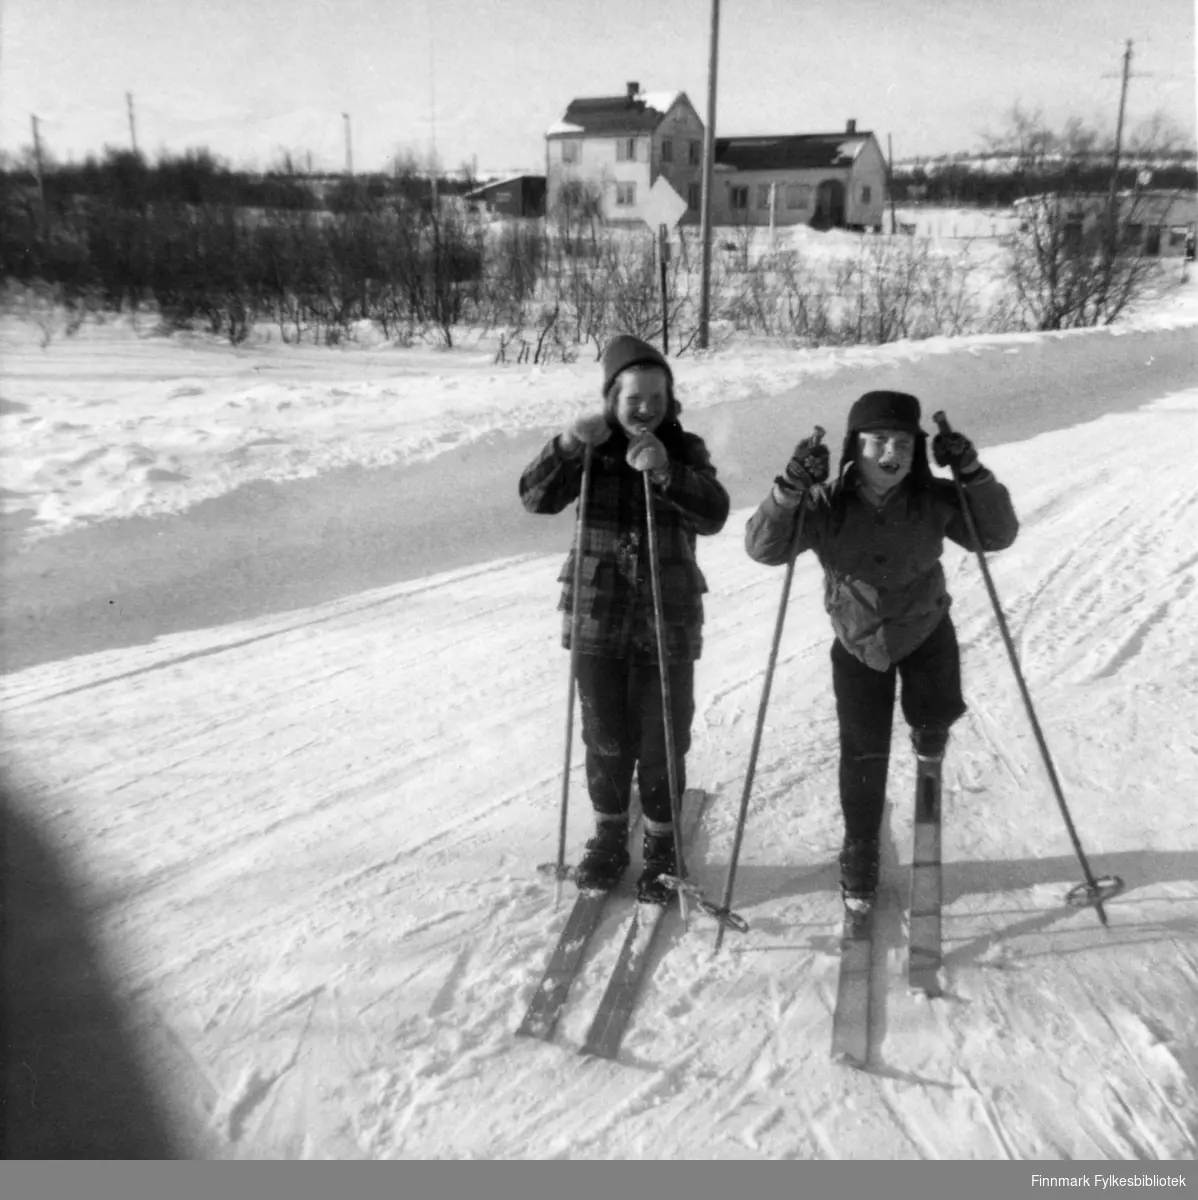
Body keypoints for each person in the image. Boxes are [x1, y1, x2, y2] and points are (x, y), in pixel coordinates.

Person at [744, 391, 1019, 911]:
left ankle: (928, 779)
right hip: (859, 643)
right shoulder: (825, 504)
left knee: (933, 723)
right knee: (863, 750)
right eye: (877, 441)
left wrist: (973, 474)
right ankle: (861, 846)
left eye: (903, 443)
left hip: (926, 632)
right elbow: (764, 549)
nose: (890, 452)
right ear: (854, 448)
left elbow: (996, 535)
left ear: (917, 451)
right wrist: (789, 490)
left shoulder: (935, 499)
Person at [519, 335, 730, 902]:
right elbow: (534, 498)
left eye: (657, 396)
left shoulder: (685, 450)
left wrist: (667, 474)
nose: (646, 408)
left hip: (668, 619)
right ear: (612, 397)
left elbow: (714, 514)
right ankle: (609, 833)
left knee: (663, 736)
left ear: (670, 399)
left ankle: (662, 841)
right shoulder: (589, 450)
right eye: (634, 397)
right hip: (598, 618)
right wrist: (565, 445)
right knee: (605, 735)